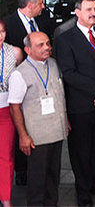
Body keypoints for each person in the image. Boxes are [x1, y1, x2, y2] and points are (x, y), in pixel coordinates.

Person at [55, 0, 95, 205]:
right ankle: (82, 189)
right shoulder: (65, 39)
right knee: (81, 149)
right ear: (77, 12)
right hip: (81, 104)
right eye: (88, 9)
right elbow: (68, 72)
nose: (94, 13)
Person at [8, 32, 67, 206]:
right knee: (37, 178)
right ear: (27, 49)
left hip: (57, 130)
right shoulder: (19, 74)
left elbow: (59, 95)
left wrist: (66, 121)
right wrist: (23, 135)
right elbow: (14, 107)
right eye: (40, 45)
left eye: (48, 43)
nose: (47, 48)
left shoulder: (54, 64)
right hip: (36, 135)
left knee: (53, 175)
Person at [0, 19, 22, 206]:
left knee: (6, 156)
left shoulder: (14, 52)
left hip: (6, 111)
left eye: (2, 32)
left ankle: (6, 199)